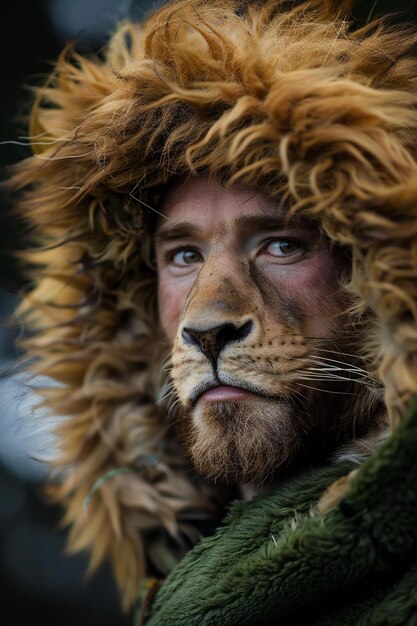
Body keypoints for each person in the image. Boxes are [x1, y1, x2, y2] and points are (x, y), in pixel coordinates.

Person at [11, 0, 417, 623]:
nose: (210, 314)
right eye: (182, 255)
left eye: (283, 244)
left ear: (382, 274)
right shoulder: (179, 582)